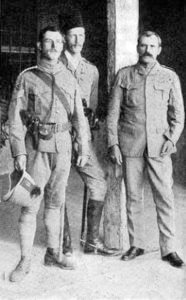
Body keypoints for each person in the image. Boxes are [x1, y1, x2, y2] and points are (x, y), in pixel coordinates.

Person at [8, 24, 89, 282]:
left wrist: (83, 146)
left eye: (58, 42)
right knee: (30, 205)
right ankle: (24, 261)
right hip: (35, 150)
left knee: (56, 202)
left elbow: (79, 117)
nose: (54, 46)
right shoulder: (27, 77)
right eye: (48, 42)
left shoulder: (70, 77)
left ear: (62, 46)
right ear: (39, 46)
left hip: (63, 149)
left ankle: (53, 253)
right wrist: (19, 151)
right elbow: (14, 119)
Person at [107, 31, 185, 268]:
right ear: (137, 48)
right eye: (143, 45)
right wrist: (113, 143)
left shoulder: (169, 77)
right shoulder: (124, 76)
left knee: (165, 197)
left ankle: (169, 248)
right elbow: (112, 114)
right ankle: (136, 244)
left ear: (159, 49)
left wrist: (172, 139)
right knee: (133, 197)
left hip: (160, 147)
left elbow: (178, 115)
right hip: (130, 146)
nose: (148, 50)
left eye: (152, 46)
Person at [58, 9, 117, 255]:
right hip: (58, 137)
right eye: (73, 36)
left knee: (98, 183)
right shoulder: (53, 65)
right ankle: (63, 243)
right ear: (63, 38)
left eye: (82, 35)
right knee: (56, 187)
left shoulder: (91, 70)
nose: (79, 41)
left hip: (81, 139)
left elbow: (90, 110)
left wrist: (85, 138)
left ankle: (91, 240)